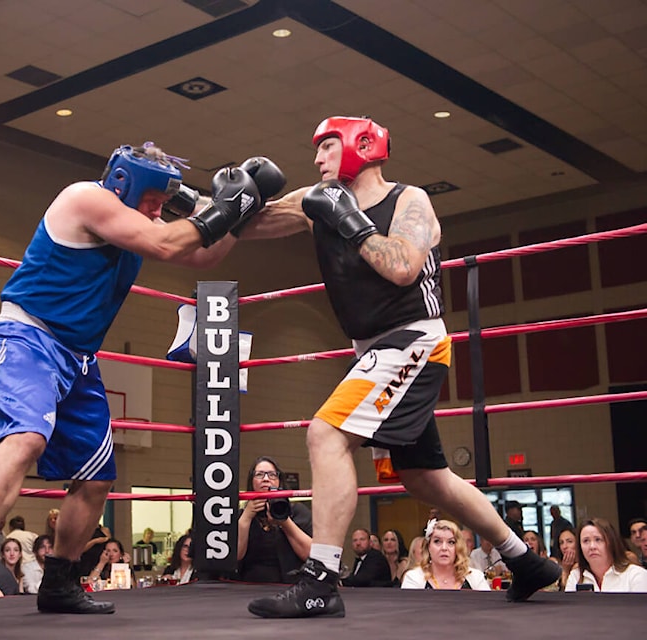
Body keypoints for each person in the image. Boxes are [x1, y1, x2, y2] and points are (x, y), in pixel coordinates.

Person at [0, 142, 285, 616]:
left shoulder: (139, 221)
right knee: (27, 437)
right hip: (29, 336)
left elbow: (201, 257)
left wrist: (239, 212)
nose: (158, 210)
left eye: (163, 202)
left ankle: (59, 581)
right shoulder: (86, 198)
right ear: (125, 182)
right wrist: (224, 204)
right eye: (153, 199)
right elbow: (166, 242)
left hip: (78, 358)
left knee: (97, 480)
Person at [238, 115, 560, 619]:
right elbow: (249, 223)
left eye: (325, 147)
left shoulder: (410, 201)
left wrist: (350, 219)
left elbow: (402, 266)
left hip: (413, 340)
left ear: (360, 146)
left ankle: (321, 578)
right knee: (424, 477)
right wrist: (190, 200)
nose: (316, 159)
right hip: (374, 350)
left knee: (325, 435)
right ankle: (526, 562)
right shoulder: (316, 200)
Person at [236, 456, 312, 583]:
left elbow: (311, 555)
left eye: (272, 475)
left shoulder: (297, 511)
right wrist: (246, 517)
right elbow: (236, 556)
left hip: (291, 586)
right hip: (249, 586)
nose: (266, 479)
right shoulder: (241, 515)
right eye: (259, 474)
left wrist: (285, 522)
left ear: (279, 481)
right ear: (252, 481)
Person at [400, 520, 489, 590]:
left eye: (451, 542)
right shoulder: (414, 578)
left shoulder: (476, 577)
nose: (444, 548)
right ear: (428, 547)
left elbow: (487, 610)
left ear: (458, 547)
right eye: (437, 541)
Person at [565, 518, 647, 592]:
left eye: (598, 539)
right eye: (586, 541)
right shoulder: (575, 576)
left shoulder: (636, 575)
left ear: (611, 542)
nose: (592, 546)